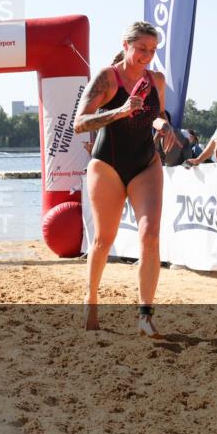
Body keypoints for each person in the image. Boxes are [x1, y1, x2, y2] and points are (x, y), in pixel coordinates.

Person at [74, 21, 179, 336]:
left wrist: (163, 125)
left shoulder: (155, 80)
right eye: (142, 49)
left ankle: (145, 314)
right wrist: (118, 111)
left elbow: (158, 114)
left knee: (150, 234)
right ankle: (91, 298)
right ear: (126, 44)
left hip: (145, 164)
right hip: (107, 165)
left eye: (152, 50)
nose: (147, 56)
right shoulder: (108, 77)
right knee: (104, 240)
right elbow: (80, 123)